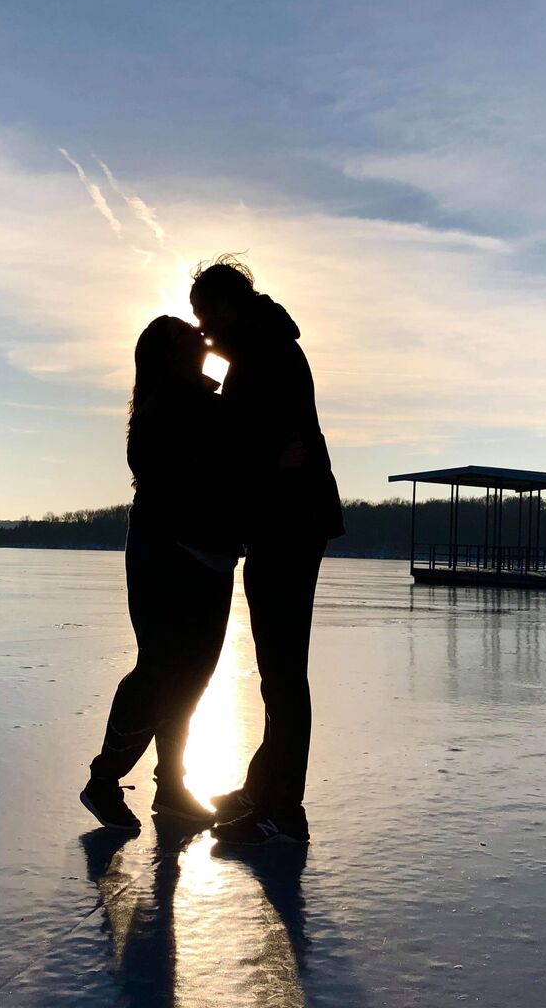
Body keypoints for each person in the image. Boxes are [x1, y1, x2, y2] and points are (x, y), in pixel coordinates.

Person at [189, 257, 344, 846]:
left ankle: (283, 810)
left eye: (205, 314)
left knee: (283, 674)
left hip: (290, 524)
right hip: (288, 522)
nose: (202, 326)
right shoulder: (264, 341)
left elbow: (245, 438)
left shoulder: (262, 350)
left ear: (228, 305)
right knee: (279, 674)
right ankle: (266, 789)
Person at [80, 315, 241, 831]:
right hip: (170, 555)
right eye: (185, 335)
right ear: (166, 354)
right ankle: (104, 779)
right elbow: (188, 476)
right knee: (161, 671)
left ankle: (171, 786)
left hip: (210, 555)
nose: (199, 337)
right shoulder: (167, 408)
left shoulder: (200, 401)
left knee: (191, 678)